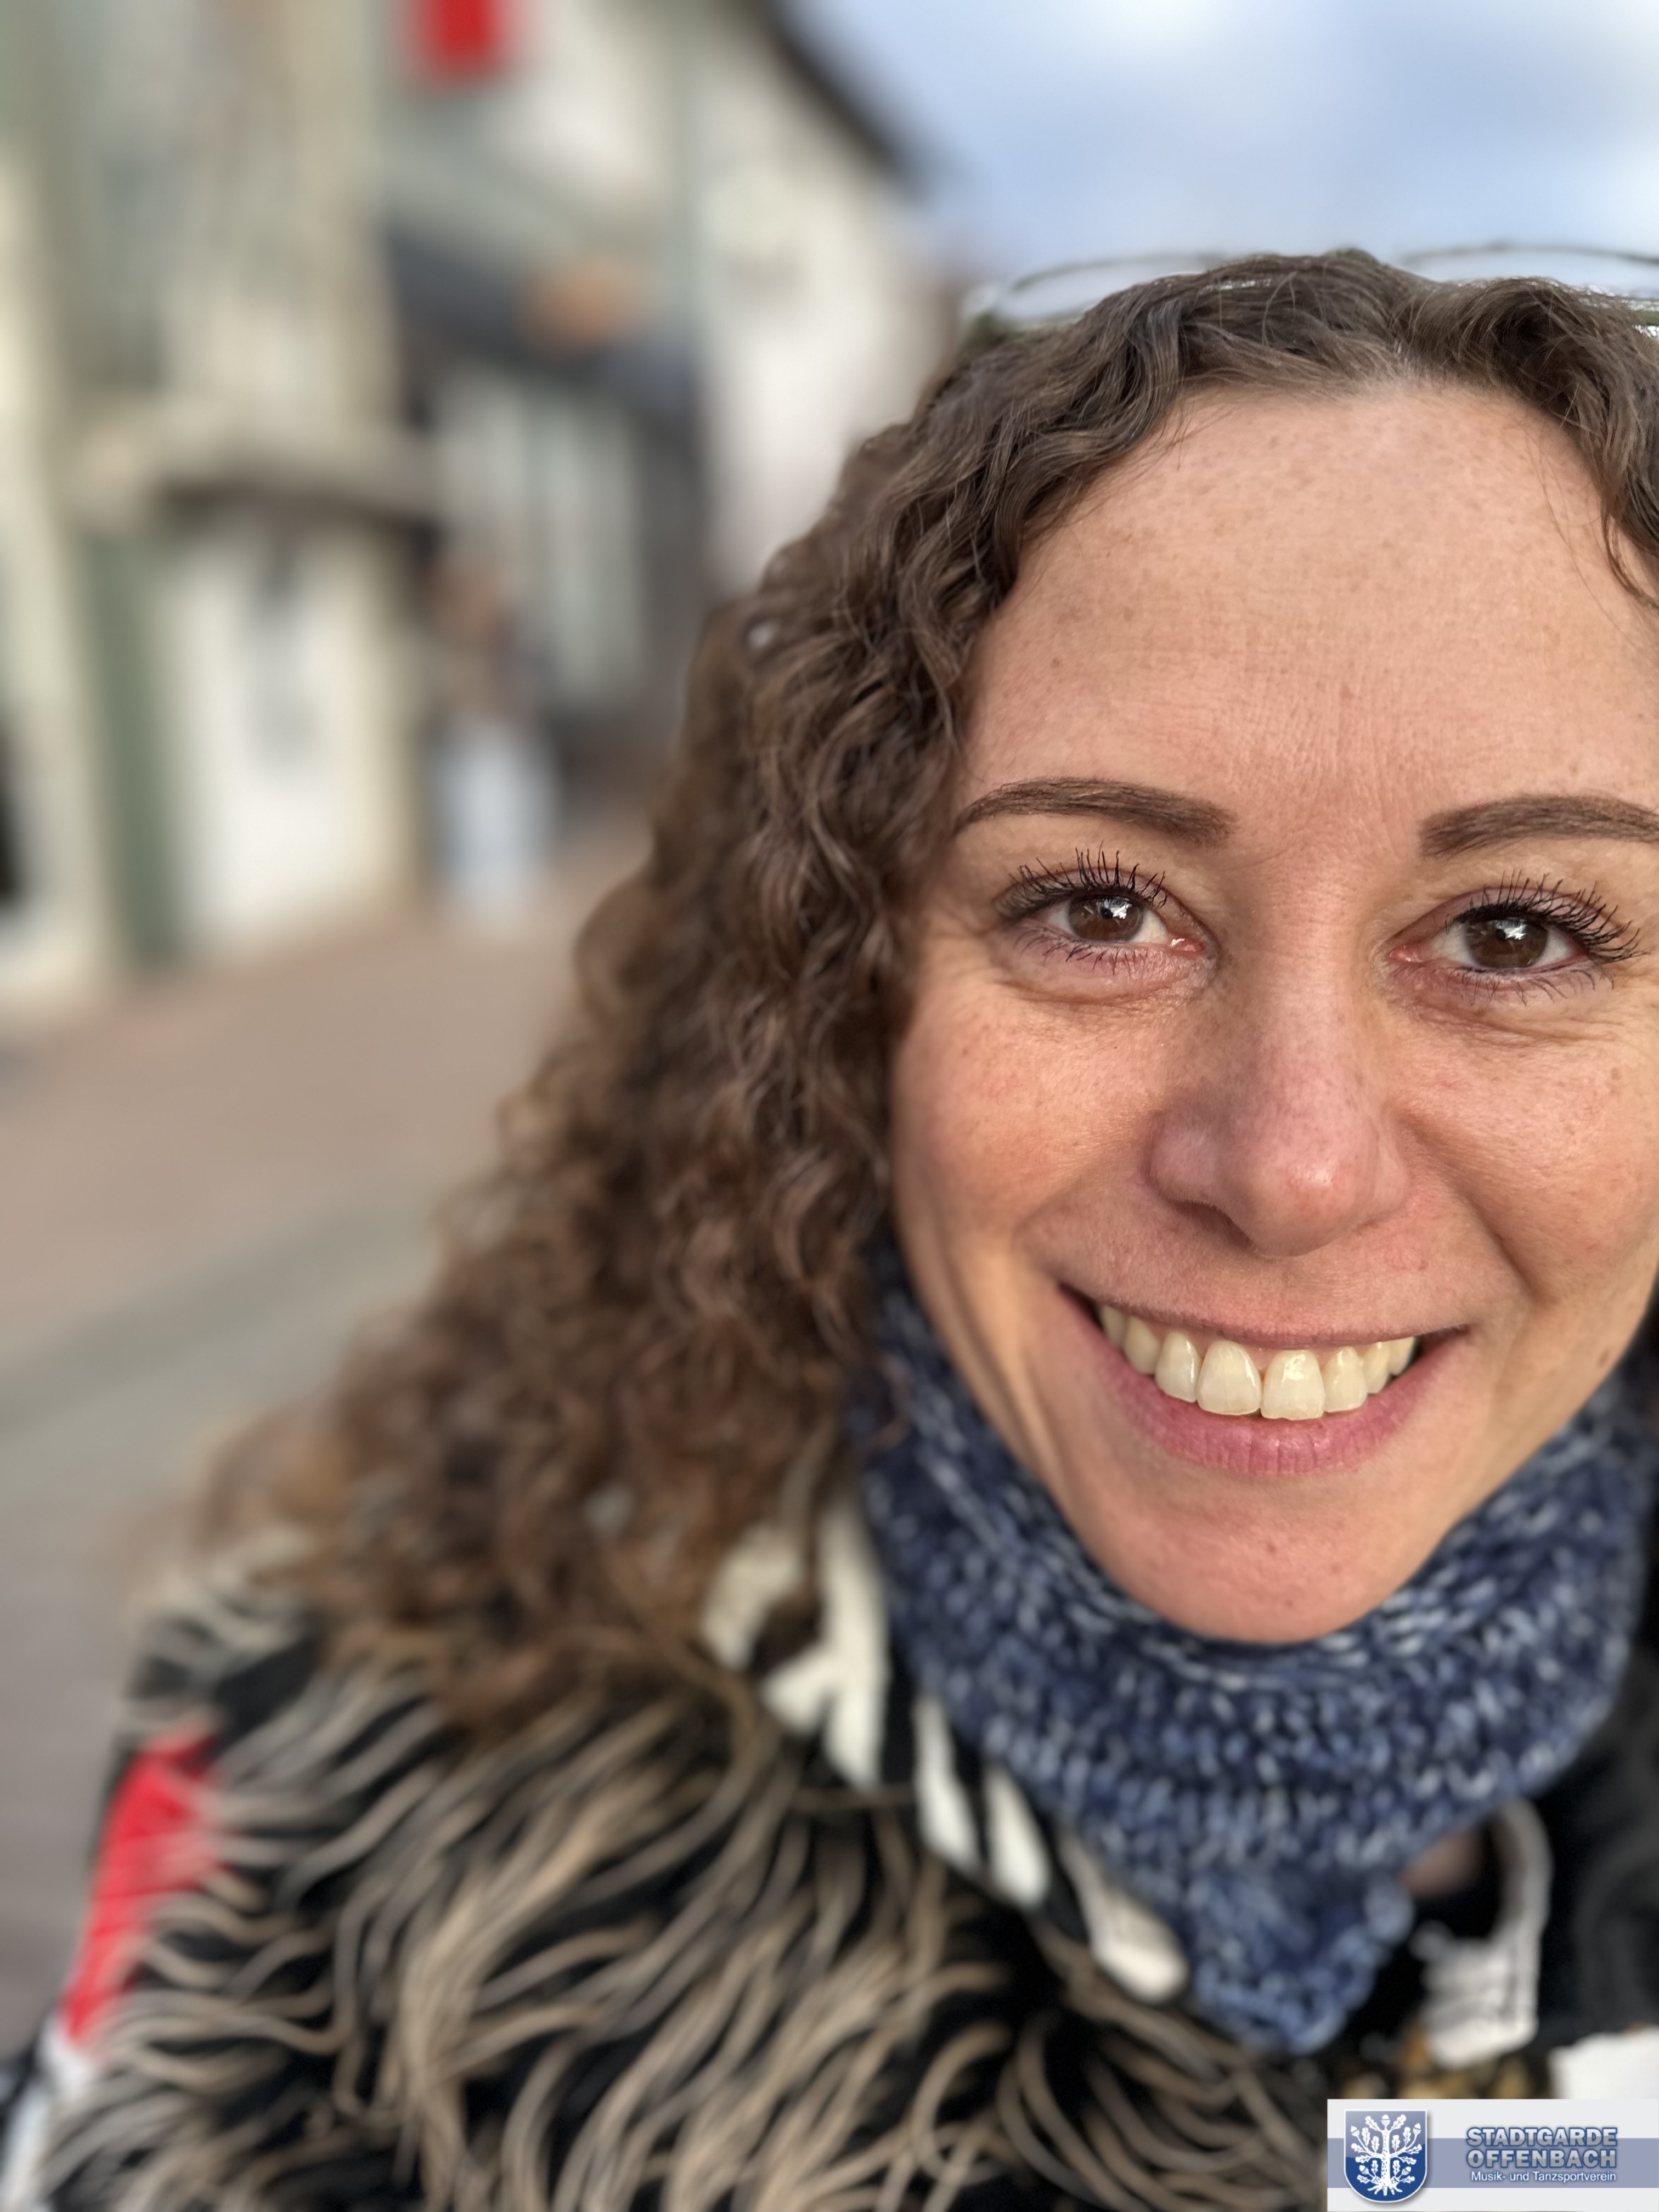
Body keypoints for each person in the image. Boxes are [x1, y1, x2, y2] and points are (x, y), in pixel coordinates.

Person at [7, 252, 1659, 2210]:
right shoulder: (320, 1882)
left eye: (1518, 935)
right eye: (1097, 910)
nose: (1291, 1168)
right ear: (839, 993)